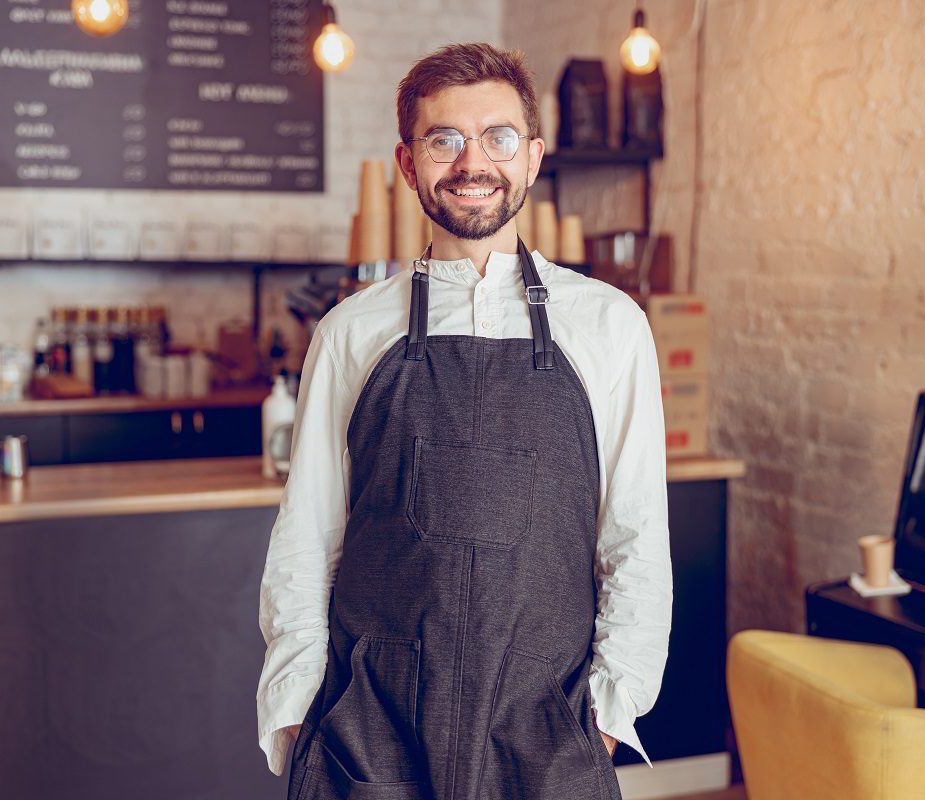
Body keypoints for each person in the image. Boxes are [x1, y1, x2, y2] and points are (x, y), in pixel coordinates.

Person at [257, 42, 672, 800]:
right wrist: (294, 702)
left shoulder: (611, 327)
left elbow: (636, 537)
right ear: (408, 163)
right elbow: (307, 534)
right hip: (370, 721)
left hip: (547, 719)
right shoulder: (349, 332)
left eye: (498, 138)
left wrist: (611, 711)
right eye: (443, 138)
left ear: (534, 157)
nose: (472, 162)